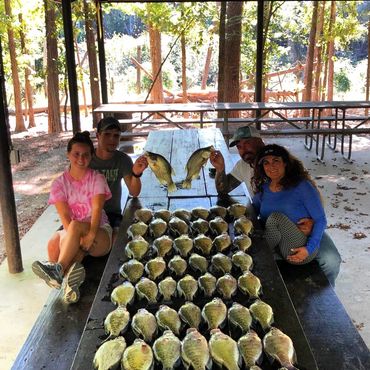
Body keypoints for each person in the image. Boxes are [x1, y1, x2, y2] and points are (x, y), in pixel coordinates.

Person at [209, 126, 341, 286]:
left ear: (260, 141)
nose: (244, 150)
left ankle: (325, 298)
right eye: (239, 146)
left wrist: (313, 225)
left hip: (300, 228)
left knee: (331, 260)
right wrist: (220, 169)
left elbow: (316, 209)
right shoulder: (245, 169)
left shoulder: (293, 174)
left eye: (247, 143)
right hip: (270, 229)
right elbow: (229, 192)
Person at [32, 131, 113, 303]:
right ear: (68, 154)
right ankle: (69, 284)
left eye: (86, 155)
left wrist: (90, 235)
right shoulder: (59, 184)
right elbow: (64, 217)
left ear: (91, 156)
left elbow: (97, 209)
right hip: (73, 232)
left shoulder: (97, 178)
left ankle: (58, 271)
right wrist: (80, 245)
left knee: (75, 227)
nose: (81, 159)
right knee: (54, 243)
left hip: (98, 232)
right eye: (76, 154)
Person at [252, 144, 326, 265]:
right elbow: (251, 211)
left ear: (285, 163)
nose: (271, 166)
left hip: (298, 250)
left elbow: (321, 219)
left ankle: (257, 256)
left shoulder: (302, 186)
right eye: (266, 163)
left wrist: (308, 249)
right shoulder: (264, 189)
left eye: (276, 160)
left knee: (275, 218)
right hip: (276, 246)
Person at [89, 117, 148, 240]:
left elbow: (134, 192)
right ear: (98, 135)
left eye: (116, 136)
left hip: (112, 214)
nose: (112, 139)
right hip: (86, 213)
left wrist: (136, 173)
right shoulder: (86, 159)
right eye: (107, 134)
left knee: (120, 240)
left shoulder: (122, 159)